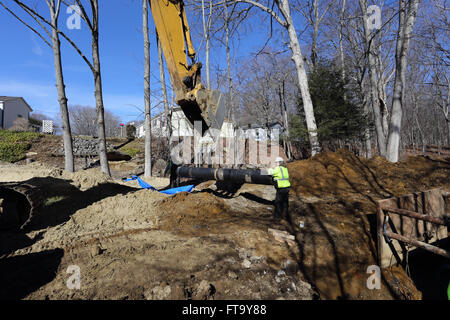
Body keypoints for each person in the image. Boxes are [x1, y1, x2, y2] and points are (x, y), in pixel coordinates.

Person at [268, 156, 291, 221]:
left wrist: (270, 168)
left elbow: (270, 172)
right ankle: (286, 216)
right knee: (285, 202)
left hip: (281, 188)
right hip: (287, 187)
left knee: (278, 202)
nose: (276, 163)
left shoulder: (278, 168)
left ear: (279, 163)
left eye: (276, 162)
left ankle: (277, 217)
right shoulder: (285, 168)